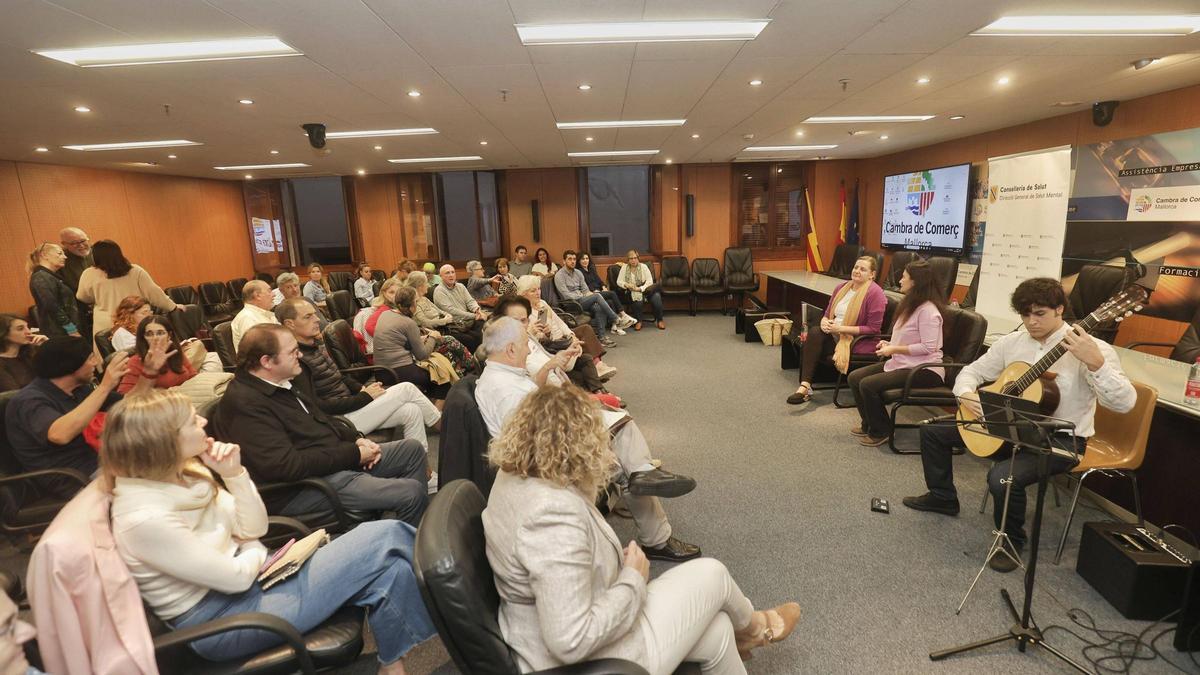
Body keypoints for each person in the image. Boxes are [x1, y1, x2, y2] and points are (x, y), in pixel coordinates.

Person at [104, 390, 436, 671]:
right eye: (192, 421)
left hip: (254, 582)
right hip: (223, 620)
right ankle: (454, 587)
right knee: (386, 534)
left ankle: (395, 666)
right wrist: (253, 549)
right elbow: (237, 574)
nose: (203, 422)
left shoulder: (185, 473)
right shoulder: (142, 517)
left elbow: (255, 526)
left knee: (390, 566)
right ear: (163, 441)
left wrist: (234, 475)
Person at [483, 384, 800, 673]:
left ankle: (751, 633)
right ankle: (757, 628)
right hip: (590, 660)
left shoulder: (514, 475)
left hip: (555, 625)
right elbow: (570, 640)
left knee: (717, 631)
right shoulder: (551, 515)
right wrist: (633, 578)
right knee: (714, 574)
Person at [902, 277, 1137, 572]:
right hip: (1006, 426)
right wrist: (966, 395)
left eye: (1039, 314)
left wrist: (1096, 364)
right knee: (932, 431)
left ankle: (1012, 541)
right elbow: (970, 372)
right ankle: (942, 497)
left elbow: (1124, 403)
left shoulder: (1093, 349)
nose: (1031, 322)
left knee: (1002, 478)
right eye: (1025, 314)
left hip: (1060, 440)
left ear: (1060, 310)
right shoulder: (1012, 342)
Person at [476, 317, 699, 562]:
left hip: (545, 445)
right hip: (540, 462)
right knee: (622, 456)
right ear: (510, 349)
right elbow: (532, 443)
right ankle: (651, 512)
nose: (529, 348)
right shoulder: (504, 390)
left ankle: (642, 474)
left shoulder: (501, 375)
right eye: (525, 343)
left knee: (618, 426)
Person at [213, 324, 430, 525]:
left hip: (330, 464)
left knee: (412, 449)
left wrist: (356, 439)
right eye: (291, 352)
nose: (299, 355)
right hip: (303, 488)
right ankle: (402, 552)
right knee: (410, 493)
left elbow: (322, 419)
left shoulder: (282, 381)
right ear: (266, 362)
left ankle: (398, 525)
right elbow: (287, 467)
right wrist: (354, 454)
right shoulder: (245, 403)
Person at [5, 335, 165, 497]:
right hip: (71, 478)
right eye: (90, 359)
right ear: (70, 366)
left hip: (100, 462)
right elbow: (59, 434)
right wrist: (105, 386)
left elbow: (129, 404)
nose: (96, 363)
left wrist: (149, 373)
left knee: (167, 462)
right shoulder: (29, 400)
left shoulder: (78, 389)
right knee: (154, 488)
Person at [278, 298, 441, 451]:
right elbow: (317, 407)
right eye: (308, 317)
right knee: (407, 388)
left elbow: (339, 376)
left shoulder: (315, 344)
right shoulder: (295, 360)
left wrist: (362, 389)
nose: (317, 320)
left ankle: (422, 469)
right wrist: (365, 397)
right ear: (290, 324)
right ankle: (443, 426)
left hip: (350, 406)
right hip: (339, 421)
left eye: (314, 314)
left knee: (411, 410)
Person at [848, 261, 946, 446]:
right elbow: (907, 337)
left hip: (925, 370)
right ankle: (869, 424)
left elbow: (928, 348)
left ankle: (882, 431)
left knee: (868, 385)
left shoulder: (928, 312)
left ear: (915, 282)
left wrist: (894, 349)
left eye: (904, 277)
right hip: (904, 362)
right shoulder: (911, 305)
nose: (900, 280)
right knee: (855, 378)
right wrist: (890, 343)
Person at [787, 256, 885, 404]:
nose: (857, 271)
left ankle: (805, 386)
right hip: (834, 336)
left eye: (863, 269)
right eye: (856, 267)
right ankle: (805, 385)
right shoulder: (842, 288)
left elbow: (873, 328)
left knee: (814, 335)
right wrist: (824, 322)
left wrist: (841, 328)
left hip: (856, 341)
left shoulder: (875, 294)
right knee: (815, 331)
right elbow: (827, 313)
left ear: (872, 274)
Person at [76, 240, 177, 343]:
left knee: (110, 355)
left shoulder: (89, 273)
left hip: (105, 323)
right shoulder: (135, 271)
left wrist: (99, 296)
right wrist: (173, 307)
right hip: (132, 319)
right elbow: (154, 293)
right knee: (140, 352)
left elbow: (82, 296)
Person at [516, 275, 615, 379]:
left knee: (586, 329)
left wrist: (571, 334)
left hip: (563, 336)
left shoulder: (542, 303)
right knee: (582, 343)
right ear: (523, 294)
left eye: (539, 289)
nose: (538, 293)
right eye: (533, 291)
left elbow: (559, 321)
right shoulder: (524, 313)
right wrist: (546, 333)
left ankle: (598, 365)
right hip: (554, 342)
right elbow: (537, 339)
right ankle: (597, 367)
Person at [373, 287, 453, 401]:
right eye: (416, 301)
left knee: (434, 378)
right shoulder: (409, 323)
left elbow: (397, 340)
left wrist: (420, 338)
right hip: (397, 372)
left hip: (381, 372)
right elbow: (423, 355)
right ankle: (437, 416)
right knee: (443, 380)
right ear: (411, 306)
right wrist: (433, 337)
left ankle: (426, 407)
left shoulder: (385, 314)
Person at [116, 315, 221, 394]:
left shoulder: (175, 353)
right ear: (143, 338)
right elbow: (125, 396)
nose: (155, 338)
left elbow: (193, 376)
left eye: (160, 333)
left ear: (169, 335)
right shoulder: (135, 361)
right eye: (149, 334)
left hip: (187, 397)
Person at [556, 250, 629, 346]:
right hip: (571, 304)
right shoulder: (559, 275)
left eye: (574, 259)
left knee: (598, 307)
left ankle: (602, 338)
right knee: (597, 296)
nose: (573, 261)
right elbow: (566, 295)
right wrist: (583, 296)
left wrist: (586, 295)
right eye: (569, 259)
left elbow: (585, 290)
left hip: (582, 301)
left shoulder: (578, 273)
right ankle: (616, 319)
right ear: (564, 261)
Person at [406, 273, 482, 352]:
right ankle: (473, 362)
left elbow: (439, 310)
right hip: (436, 331)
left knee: (476, 336)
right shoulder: (415, 303)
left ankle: (480, 360)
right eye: (426, 283)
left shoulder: (424, 299)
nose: (428, 285)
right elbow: (424, 323)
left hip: (446, 326)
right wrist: (445, 320)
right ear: (419, 286)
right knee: (469, 340)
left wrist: (447, 315)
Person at [27, 243, 80, 338]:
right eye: (59, 253)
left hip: (65, 329)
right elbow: (51, 305)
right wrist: (71, 329)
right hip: (60, 332)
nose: (65, 257)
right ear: (44, 255)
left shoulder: (51, 276)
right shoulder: (41, 276)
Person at [579, 252, 636, 327]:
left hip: (600, 291)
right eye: (583, 259)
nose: (585, 261)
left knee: (610, 301)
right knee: (612, 293)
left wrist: (604, 287)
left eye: (587, 258)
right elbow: (584, 287)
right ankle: (623, 315)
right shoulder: (579, 272)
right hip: (592, 294)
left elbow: (599, 281)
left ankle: (614, 326)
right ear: (579, 261)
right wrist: (594, 291)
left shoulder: (591, 269)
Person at [617, 250, 666, 331]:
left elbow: (650, 281)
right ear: (628, 260)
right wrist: (626, 285)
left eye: (635, 258)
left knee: (656, 297)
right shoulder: (624, 268)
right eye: (631, 258)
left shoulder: (644, 267)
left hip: (646, 290)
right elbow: (619, 281)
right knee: (637, 300)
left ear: (638, 258)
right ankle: (639, 321)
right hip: (632, 290)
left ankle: (660, 320)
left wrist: (640, 289)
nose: (633, 260)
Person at [59, 227, 94, 338]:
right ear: (64, 244)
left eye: (83, 241)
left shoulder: (97, 252)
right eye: (74, 243)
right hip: (80, 313)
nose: (81, 245)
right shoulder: (61, 260)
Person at [0, 313, 48, 392]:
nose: (28, 332)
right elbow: (14, 395)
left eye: (27, 327)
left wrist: (47, 345)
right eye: (20, 329)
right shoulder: (2, 364)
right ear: (4, 334)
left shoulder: (30, 353)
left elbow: (61, 372)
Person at [230, 280, 280, 353]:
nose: (274, 294)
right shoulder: (247, 318)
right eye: (269, 291)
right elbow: (256, 351)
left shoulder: (267, 314)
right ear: (257, 296)